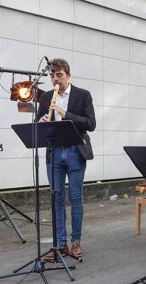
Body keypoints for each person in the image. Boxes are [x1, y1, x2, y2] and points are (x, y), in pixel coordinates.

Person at [37, 58, 96, 260]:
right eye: (52, 75)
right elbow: (39, 125)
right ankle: (60, 244)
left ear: (68, 75)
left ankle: (76, 242)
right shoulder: (45, 97)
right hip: (54, 151)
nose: (55, 79)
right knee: (56, 198)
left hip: (75, 150)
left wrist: (65, 113)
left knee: (76, 198)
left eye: (59, 75)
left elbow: (91, 123)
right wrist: (42, 121)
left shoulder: (82, 95)